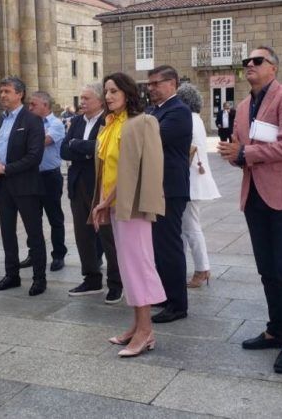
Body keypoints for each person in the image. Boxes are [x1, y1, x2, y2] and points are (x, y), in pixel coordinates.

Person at [218, 46, 282, 374]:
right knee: (267, 269)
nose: (250, 66)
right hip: (254, 196)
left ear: (273, 67)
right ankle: (274, 329)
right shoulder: (242, 106)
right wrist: (232, 154)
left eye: (257, 61)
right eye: (246, 62)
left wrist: (245, 152)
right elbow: (243, 150)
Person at [91, 72, 167, 357]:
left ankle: (146, 331)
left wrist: (110, 201)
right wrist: (102, 203)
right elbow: (111, 172)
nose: (108, 96)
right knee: (127, 267)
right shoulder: (110, 124)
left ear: (127, 93)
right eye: (106, 91)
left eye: (114, 91)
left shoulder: (141, 122)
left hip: (133, 206)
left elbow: (142, 170)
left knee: (137, 267)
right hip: (116, 205)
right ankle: (137, 326)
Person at [61, 83, 123, 303]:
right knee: (82, 234)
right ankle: (91, 278)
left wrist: (81, 147)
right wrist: (85, 148)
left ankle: (116, 283)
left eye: (87, 98)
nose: (82, 102)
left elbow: (101, 149)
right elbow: (64, 149)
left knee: (107, 235)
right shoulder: (77, 121)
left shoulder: (108, 121)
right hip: (78, 185)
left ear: (99, 100)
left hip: (100, 184)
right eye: (81, 98)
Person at [0, 76, 48, 296]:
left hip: (26, 187)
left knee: (34, 234)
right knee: (7, 233)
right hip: (3, 187)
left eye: (7, 91)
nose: (3, 95)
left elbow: (34, 156)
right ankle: (11, 275)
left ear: (20, 94)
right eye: (1, 91)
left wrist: (6, 168)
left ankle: (39, 278)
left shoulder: (32, 121)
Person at [145, 65, 192, 324]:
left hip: (170, 188)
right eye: (149, 84)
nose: (150, 88)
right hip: (157, 186)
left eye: (156, 83)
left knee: (169, 246)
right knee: (158, 246)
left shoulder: (178, 111)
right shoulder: (155, 110)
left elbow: (151, 141)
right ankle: (164, 295)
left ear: (172, 84)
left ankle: (177, 304)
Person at [176, 84, 221, 288]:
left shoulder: (187, 120)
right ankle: (185, 266)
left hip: (190, 180)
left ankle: (202, 269)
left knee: (190, 227)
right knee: (186, 226)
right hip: (193, 178)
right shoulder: (196, 119)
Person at [20, 91, 67, 271]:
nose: (29, 108)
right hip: (31, 176)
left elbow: (40, 143)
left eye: (33, 105)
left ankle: (58, 254)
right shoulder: (28, 124)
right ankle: (34, 253)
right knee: (32, 218)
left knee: (55, 218)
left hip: (49, 177)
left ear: (45, 106)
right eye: (29, 105)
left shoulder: (56, 124)